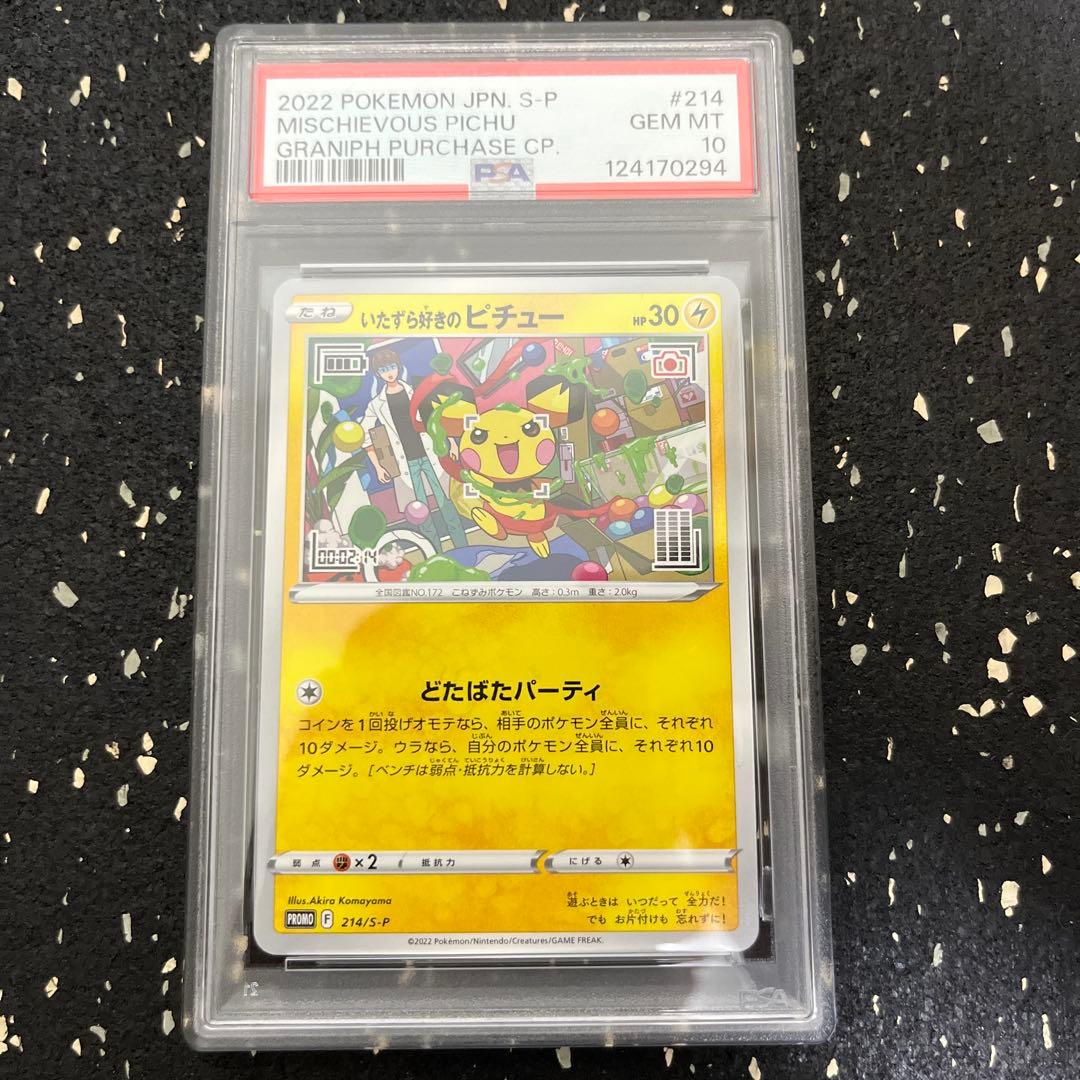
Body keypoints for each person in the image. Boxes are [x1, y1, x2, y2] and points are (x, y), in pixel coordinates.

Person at [360, 350, 468, 550]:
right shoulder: (376, 404)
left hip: (431, 454)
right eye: (383, 370)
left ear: (398, 367)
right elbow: (364, 435)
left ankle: (463, 548)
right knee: (420, 511)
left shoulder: (418, 392)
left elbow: (437, 418)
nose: (389, 373)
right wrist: (378, 467)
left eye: (391, 367)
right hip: (407, 463)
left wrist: (452, 442)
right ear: (378, 374)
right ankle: (434, 553)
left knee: (446, 503)